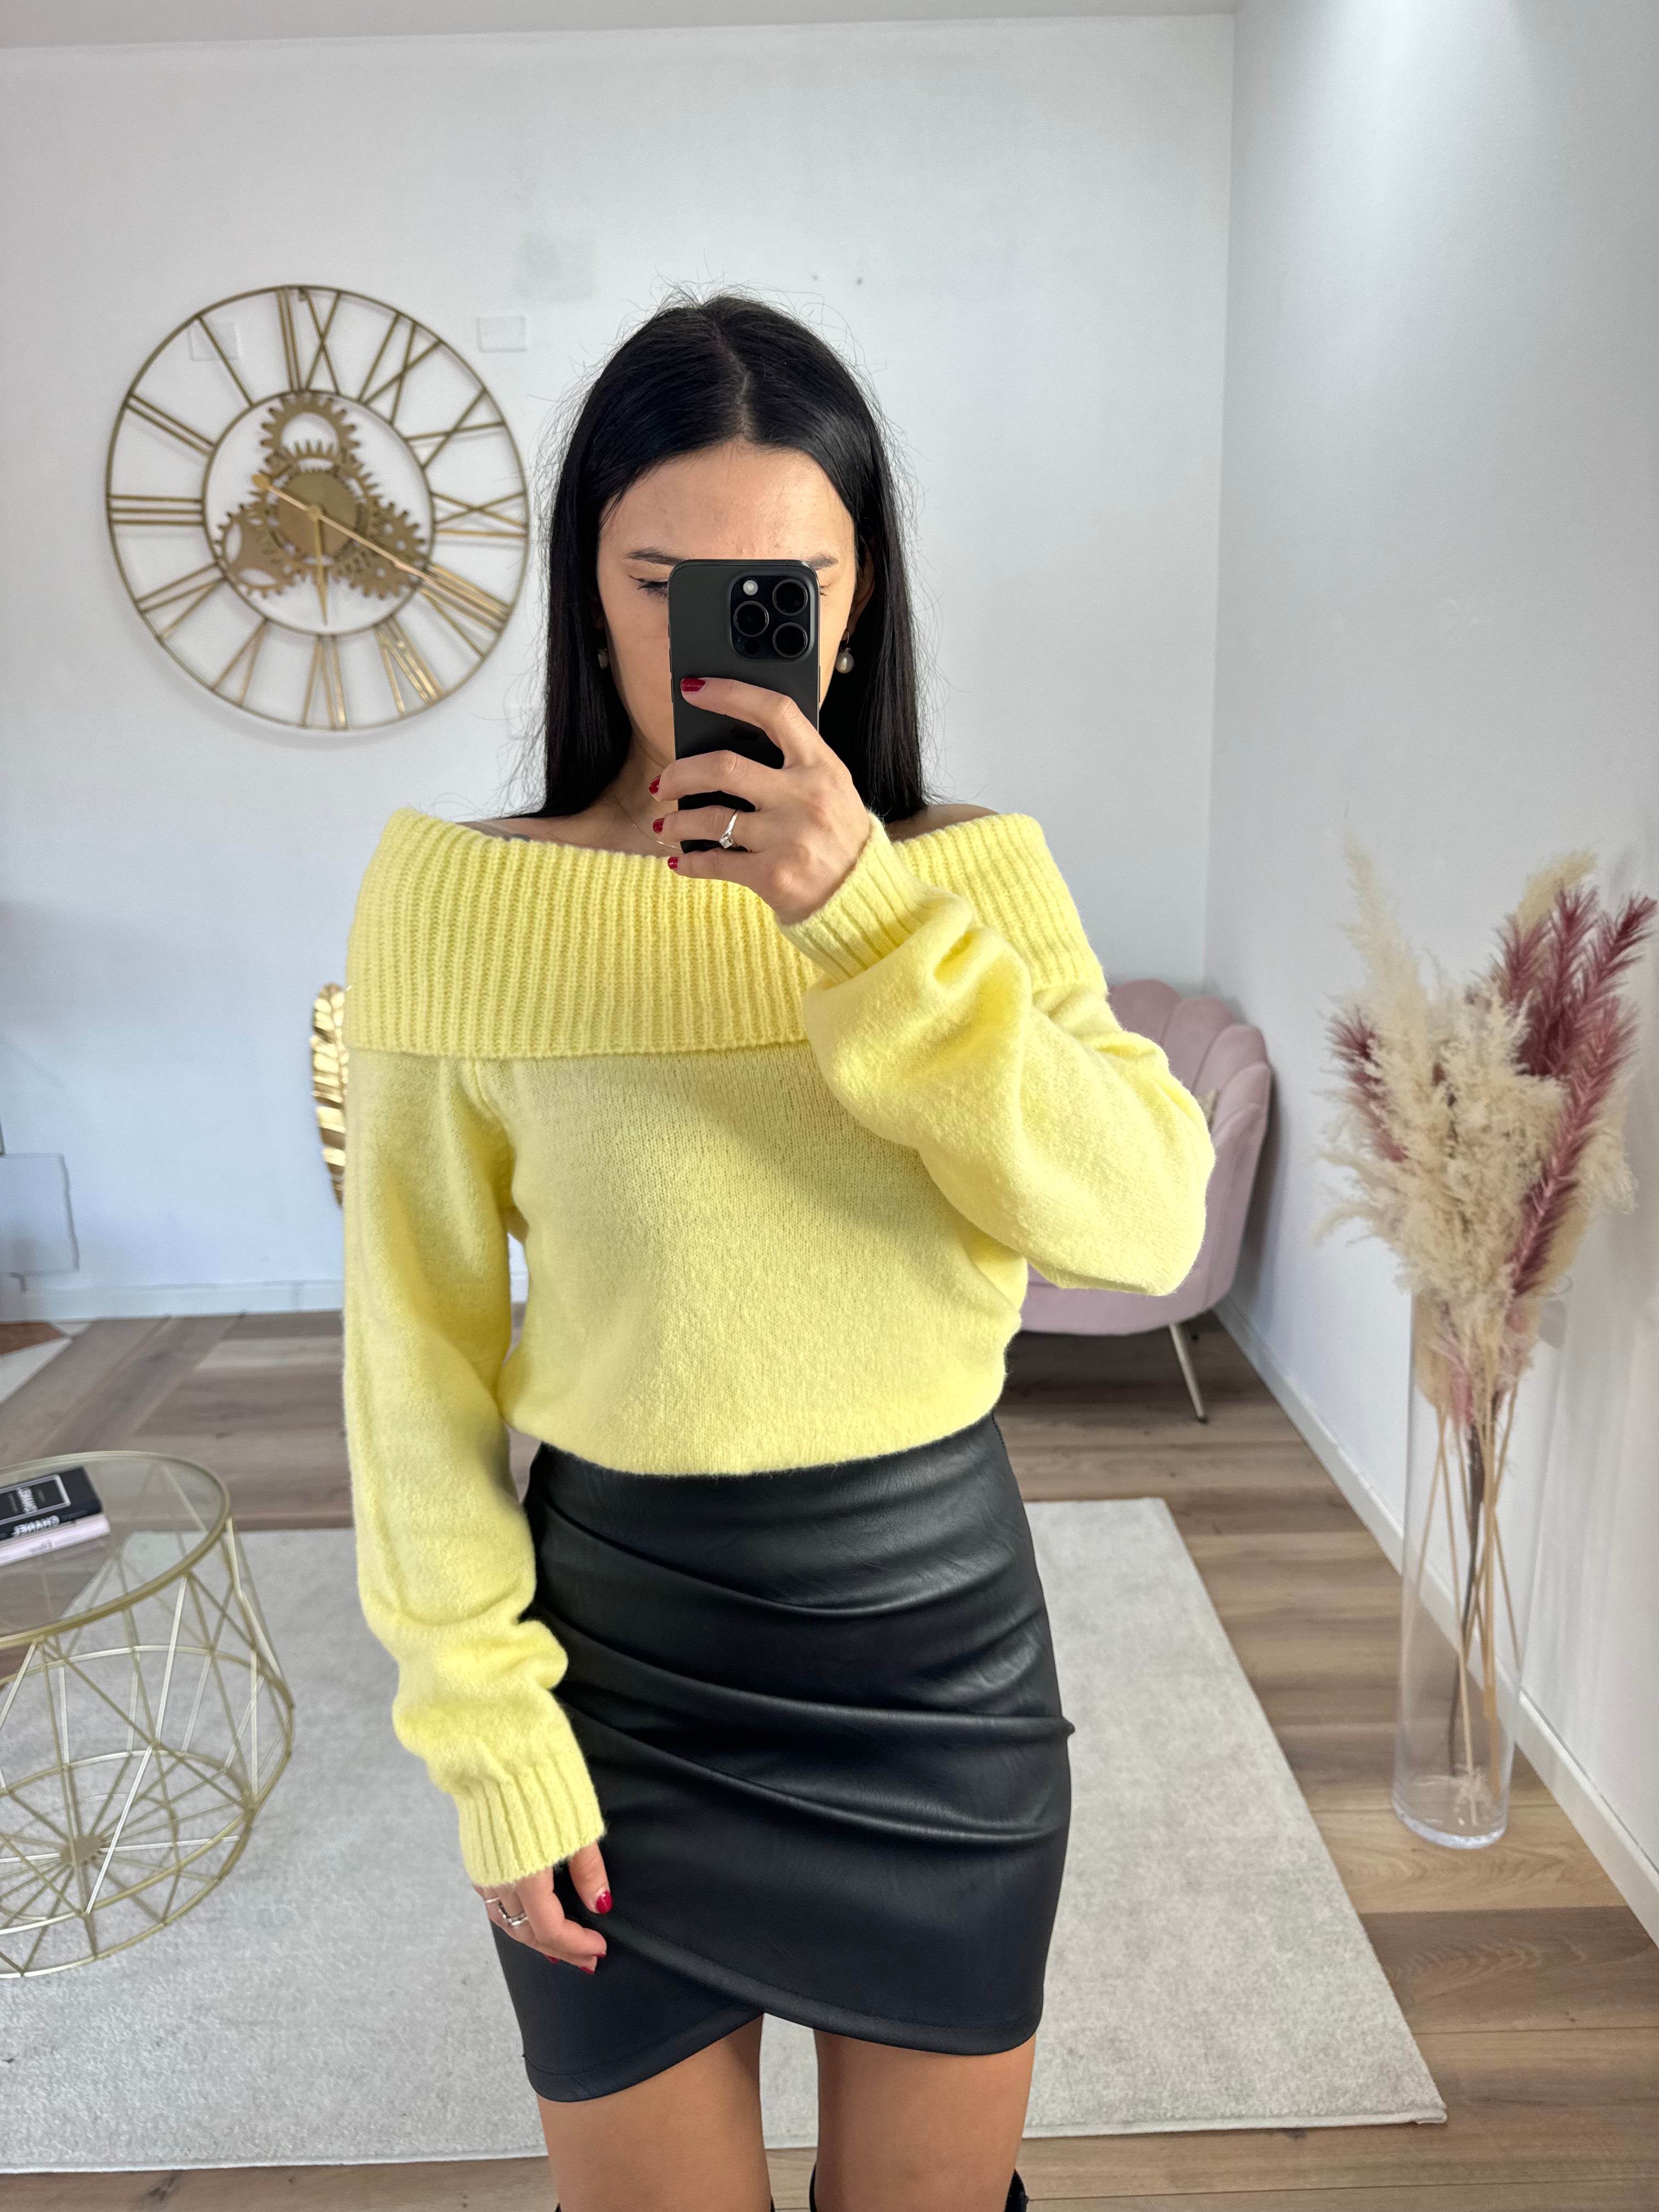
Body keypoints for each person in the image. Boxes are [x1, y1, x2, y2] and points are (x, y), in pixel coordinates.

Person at [340, 291, 1216, 2212]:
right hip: (618, 1665)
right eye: (663, 584)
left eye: (778, 589)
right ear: (588, 591)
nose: (715, 640)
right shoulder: (455, 905)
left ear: (858, 594)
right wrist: (488, 1742)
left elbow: (1146, 1220)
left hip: (934, 1667)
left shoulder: (969, 879)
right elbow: (411, 1369)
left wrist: (864, 921)